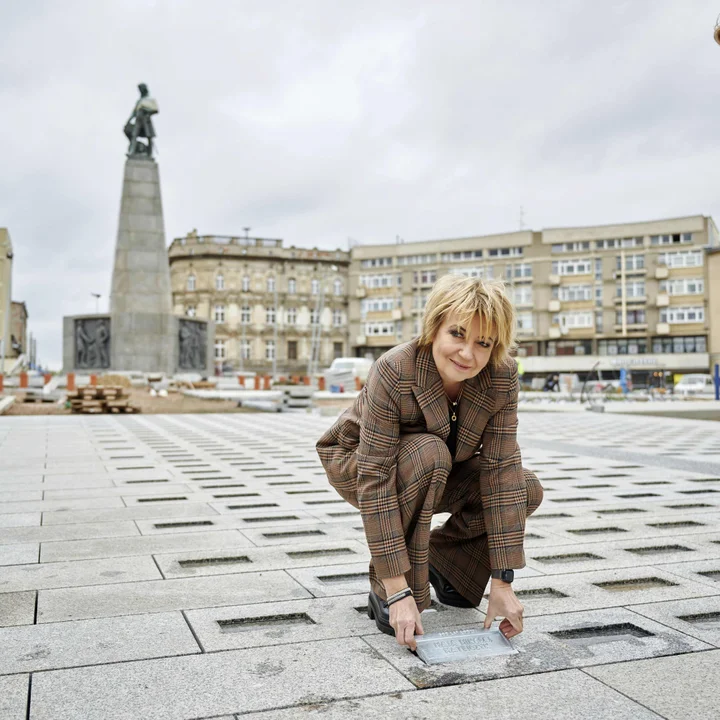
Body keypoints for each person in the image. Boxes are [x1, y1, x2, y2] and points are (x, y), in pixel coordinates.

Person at [316, 274, 543, 651]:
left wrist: (502, 582)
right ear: (434, 327)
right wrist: (396, 590)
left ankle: (449, 565)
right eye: (457, 334)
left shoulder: (502, 376)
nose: (467, 353)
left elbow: (501, 469)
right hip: (360, 462)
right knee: (429, 453)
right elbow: (375, 479)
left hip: (438, 464)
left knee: (523, 487)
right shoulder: (396, 368)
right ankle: (388, 583)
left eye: (482, 342)